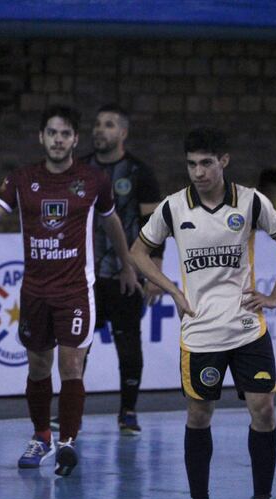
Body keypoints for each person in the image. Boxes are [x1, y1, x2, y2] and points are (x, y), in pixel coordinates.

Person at [0, 105, 139, 477]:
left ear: (75, 140)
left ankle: (67, 442)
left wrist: (127, 264)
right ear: (41, 138)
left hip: (75, 291)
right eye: (52, 133)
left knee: (70, 365)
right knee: (38, 366)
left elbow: (111, 221)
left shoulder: (93, 180)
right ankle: (41, 435)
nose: (58, 140)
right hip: (34, 291)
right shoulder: (21, 179)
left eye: (65, 134)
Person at [131, 127, 276, 499]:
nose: (198, 172)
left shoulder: (250, 203)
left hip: (247, 326)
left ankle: (262, 498)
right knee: (199, 415)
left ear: (224, 161)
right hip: (200, 332)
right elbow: (138, 251)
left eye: (205, 163)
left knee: (263, 409)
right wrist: (171, 289)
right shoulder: (173, 207)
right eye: (191, 164)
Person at [82, 103, 165, 435]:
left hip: (126, 276)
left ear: (123, 133)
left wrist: (155, 272)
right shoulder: (81, 168)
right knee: (77, 347)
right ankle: (68, 412)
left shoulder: (139, 172)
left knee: (128, 346)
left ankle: (128, 411)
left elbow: (154, 226)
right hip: (85, 277)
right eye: (98, 124)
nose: (100, 130)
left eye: (109, 125)